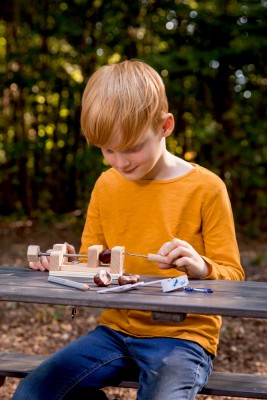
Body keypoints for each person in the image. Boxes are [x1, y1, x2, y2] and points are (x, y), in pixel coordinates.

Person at [13, 60, 244, 400]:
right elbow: (94, 267)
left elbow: (235, 278)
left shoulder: (206, 188)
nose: (121, 162)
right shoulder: (106, 185)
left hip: (183, 338)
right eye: (108, 150)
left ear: (165, 126)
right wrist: (61, 265)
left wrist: (202, 267)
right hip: (115, 331)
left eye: (133, 147)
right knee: (34, 392)